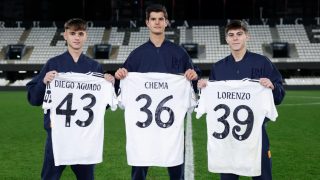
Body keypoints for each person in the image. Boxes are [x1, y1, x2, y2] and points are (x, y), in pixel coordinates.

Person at [115, 4, 199, 180]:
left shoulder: (179, 53)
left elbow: (193, 82)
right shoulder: (137, 55)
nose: (157, 22)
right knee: (139, 169)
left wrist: (193, 76)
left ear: (166, 22)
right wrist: (120, 75)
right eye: (153, 19)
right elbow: (121, 85)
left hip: (171, 124)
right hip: (142, 127)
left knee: (176, 168)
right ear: (147, 23)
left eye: (161, 19)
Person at [26, 18, 115, 180]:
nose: (76, 37)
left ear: (85, 36)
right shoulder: (53, 64)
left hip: (84, 137)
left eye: (80, 33)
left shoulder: (94, 67)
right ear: (65, 35)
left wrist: (108, 85)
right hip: (57, 135)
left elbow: (101, 106)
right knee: (49, 177)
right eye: (72, 33)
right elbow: (34, 99)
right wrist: (44, 82)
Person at [197, 20, 285, 180]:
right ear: (226, 39)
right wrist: (203, 88)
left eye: (239, 34)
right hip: (227, 139)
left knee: (263, 177)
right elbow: (211, 103)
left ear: (247, 37)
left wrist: (273, 87)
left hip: (257, 135)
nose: (235, 38)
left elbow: (279, 96)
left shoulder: (262, 62)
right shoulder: (218, 67)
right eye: (231, 35)